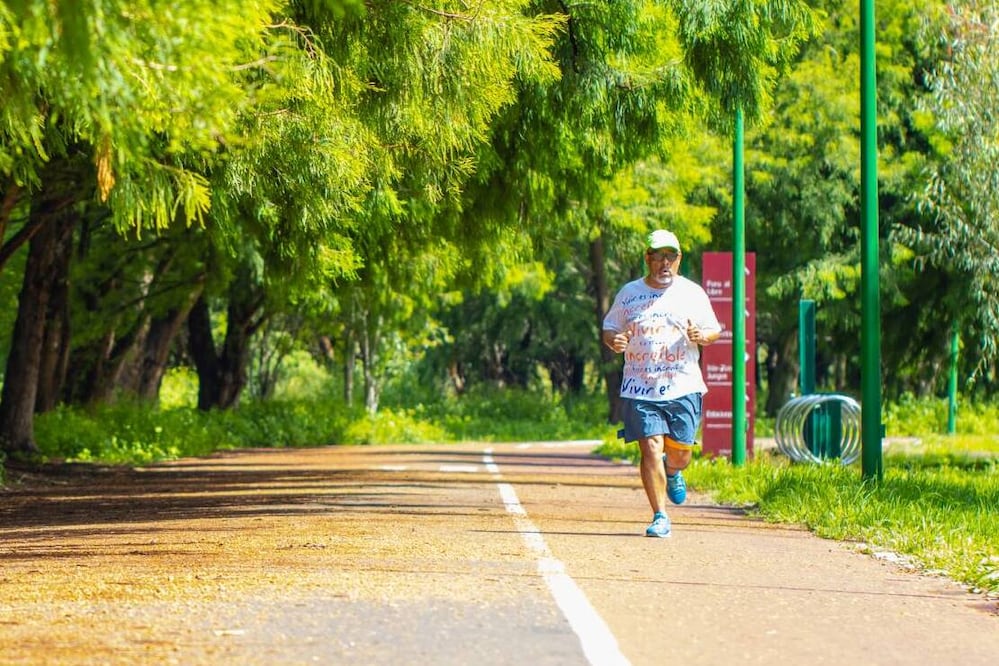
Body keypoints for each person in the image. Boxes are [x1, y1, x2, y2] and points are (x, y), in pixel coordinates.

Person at [602, 229, 722, 538]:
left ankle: (674, 469)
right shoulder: (629, 293)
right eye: (658, 256)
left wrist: (702, 336)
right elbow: (610, 327)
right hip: (640, 386)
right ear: (648, 259)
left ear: (679, 260)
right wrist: (614, 340)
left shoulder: (692, 293)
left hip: (683, 385)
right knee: (650, 448)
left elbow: (713, 330)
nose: (664, 263)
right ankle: (660, 515)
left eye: (671, 256)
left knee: (680, 452)